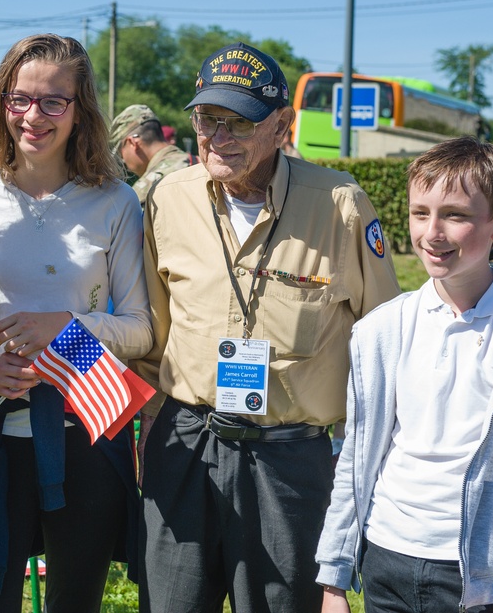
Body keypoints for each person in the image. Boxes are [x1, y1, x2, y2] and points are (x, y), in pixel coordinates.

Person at [136, 42, 400, 612]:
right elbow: (154, 332)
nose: (219, 136)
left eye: (240, 121)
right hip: (186, 444)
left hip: (290, 463)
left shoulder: (339, 204)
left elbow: (386, 347)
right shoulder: (167, 198)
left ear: (283, 125)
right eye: (207, 119)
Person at [316, 137, 493, 613]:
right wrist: (334, 577)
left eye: (455, 215)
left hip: (477, 577)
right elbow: (356, 453)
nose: (432, 232)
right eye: (421, 213)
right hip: (385, 560)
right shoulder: (380, 329)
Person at [0, 33, 152, 612]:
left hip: (84, 434)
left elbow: (141, 328)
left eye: (52, 102)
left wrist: (70, 326)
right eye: (19, 99)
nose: (32, 116)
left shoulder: (115, 202)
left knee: (75, 602)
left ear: (79, 110)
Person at [109, 104, 193, 202]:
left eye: (120, 153)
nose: (123, 161)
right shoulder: (199, 163)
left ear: (132, 143)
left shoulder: (146, 189)